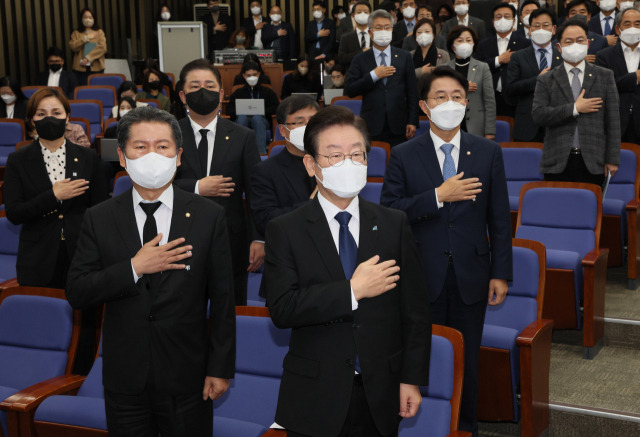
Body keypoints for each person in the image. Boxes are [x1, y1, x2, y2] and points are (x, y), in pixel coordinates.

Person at [66, 106, 236, 436]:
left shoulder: (208, 215)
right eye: (140, 147)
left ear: (178, 155)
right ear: (122, 156)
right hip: (124, 378)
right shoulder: (99, 218)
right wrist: (133, 268)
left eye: (162, 146)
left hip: (188, 376)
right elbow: (78, 291)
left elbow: (223, 300)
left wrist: (220, 367)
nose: (152, 155)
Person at [266, 105, 431, 437]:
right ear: (311, 164)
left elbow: (414, 311)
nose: (349, 163)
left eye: (357, 154)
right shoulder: (286, 229)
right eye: (334, 155)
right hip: (315, 393)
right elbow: (282, 308)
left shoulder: (392, 224)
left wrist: (410, 378)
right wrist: (351, 292)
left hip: (381, 391)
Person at [381, 66, 512, 436]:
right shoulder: (404, 155)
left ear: (467, 103)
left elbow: (499, 217)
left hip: (472, 274)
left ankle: (463, 428)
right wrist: (438, 196)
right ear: (424, 106)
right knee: (418, 359)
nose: (449, 103)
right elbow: (390, 212)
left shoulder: (487, 151)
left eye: (456, 97)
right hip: (421, 275)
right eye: (440, 97)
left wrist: (500, 272)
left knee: (466, 362)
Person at [175, 59, 262, 305]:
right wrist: (196, 187)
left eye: (209, 85)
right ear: (183, 95)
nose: (202, 91)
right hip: (179, 240)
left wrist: (258, 238)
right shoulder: (168, 135)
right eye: (194, 86)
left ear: (221, 94)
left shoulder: (244, 136)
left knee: (231, 312)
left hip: (231, 240)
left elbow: (256, 191)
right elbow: (153, 186)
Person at [4, 87, 108, 289]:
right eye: (41, 114)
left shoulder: (88, 157)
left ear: (67, 118)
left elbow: (101, 210)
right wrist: (53, 196)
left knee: (84, 318)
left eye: (56, 113)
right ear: (32, 120)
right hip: (37, 258)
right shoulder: (17, 160)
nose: (49, 118)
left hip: (82, 254)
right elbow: (14, 213)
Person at [532, 18, 621, 185]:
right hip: (557, 161)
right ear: (558, 47)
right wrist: (574, 108)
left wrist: (613, 159)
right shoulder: (546, 79)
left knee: (591, 209)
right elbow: (538, 115)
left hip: (594, 161)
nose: (575, 45)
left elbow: (613, 122)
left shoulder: (605, 76)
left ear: (588, 44)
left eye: (580, 40)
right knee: (557, 210)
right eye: (568, 41)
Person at [345, 9, 419, 147]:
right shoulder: (360, 59)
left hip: (399, 124)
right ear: (370, 32)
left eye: (387, 27)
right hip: (372, 124)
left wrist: (412, 120)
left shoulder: (404, 56)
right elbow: (350, 89)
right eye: (378, 28)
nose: (383, 31)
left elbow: (412, 92)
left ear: (392, 30)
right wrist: (373, 76)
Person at [251, 95, 319, 237]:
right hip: (292, 245)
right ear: (282, 130)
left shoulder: (333, 162)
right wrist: (312, 204)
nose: (308, 127)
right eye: (299, 122)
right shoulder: (265, 171)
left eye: (314, 121)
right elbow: (266, 220)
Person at [506, 8, 562, 142]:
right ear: (530, 30)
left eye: (545, 25)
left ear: (554, 29)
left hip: (558, 124)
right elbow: (511, 88)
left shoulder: (564, 55)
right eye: (536, 26)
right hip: (527, 124)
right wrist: (538, 80)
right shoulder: (518, 56)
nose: (541, 29)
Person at [476, 3, 531, 117]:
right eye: (498, 17)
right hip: (489, 99)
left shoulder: (525, 43)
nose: (502, 20)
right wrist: (498, 60)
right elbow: (477, 68)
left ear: (514, 21)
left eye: (507, 16)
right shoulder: (483, 44)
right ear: (493, 21)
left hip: (515, 99)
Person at [596, 7, 640, 143]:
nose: (632, 28)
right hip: (615, 123)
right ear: (617, 29)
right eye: (627, 24)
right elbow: (603, 87)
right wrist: (635, 78)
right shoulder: (604, 56)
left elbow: (615, 82)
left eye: (637, 24)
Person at [446, 26, 496, 139]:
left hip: (476, 126)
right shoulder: (445, 68)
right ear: (452, 45)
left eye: (468, 40)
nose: (465, 43)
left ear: (474, 44)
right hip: (450, 124)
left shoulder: (483, 67)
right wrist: (462, 88)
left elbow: (490, 101)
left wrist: (490, 131)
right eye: (460, 40)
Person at [226, 61, 279, 154]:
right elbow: (228, 110)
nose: (252, 77)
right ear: (244, 76)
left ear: (259, 74)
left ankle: (260, 153)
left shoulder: (267, 91)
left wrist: (262, 111)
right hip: (242, 119)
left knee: (257, 118)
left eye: (254, 74)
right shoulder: (238, 93)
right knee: (242, 118)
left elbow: (276, 107)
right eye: (249, 75)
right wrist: (240, 111)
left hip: (262, 120)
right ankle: (240, 152)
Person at [68, 7, 107, 86]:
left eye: (90, 17)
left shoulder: (99, 32)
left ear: (94, 19)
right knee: (82, 90)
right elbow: (73, 47)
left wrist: (88, 58)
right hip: (80, 68)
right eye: (85, 17)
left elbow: (102, 48)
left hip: (97, 67)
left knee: (96, 89)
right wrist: (87, 38)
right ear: (81, 19)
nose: (88, 19)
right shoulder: (76, 33)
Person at [337, 1, 372, 69]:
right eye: (359, 12)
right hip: (353, 75)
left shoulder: (377, 35)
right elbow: (341, 59)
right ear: (353, 15)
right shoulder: (345, 38)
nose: (362, 14)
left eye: (365, 12)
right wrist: (361, 52)